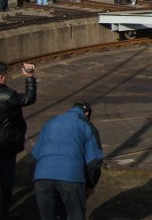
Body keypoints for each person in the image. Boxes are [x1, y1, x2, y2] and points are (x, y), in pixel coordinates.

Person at [33, 101, 104, 220]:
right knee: (75, 214)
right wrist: (89, 185)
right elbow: (94, 162)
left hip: (42, 176)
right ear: (86, 113)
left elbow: (34, 156)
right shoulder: (87, 125)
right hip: (71, 177)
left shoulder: (50, 122)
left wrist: (36, 177)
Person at [0, 61, 36, 219]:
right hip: (6, 144)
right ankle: (3, 212)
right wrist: (29, 77)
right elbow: (29, 98)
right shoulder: (7, 95)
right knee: (6, 180)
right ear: (1, 77)